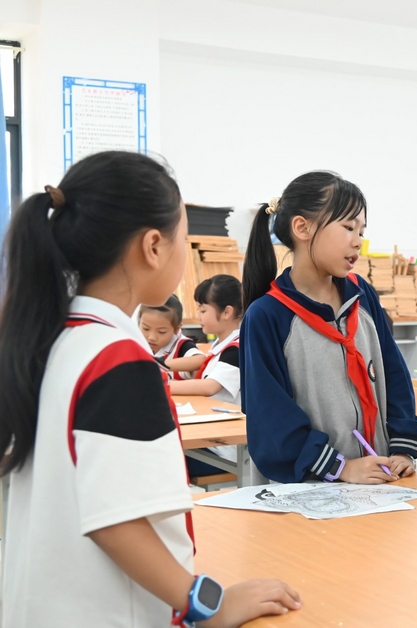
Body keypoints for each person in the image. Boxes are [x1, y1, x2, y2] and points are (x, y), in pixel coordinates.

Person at [0, 151, 301, 627]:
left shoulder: (50, 337)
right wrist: (208, 604)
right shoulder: (117, 358)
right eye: (184, 235)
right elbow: (117, 522)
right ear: (154, 246)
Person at [241, 172, 417, 484]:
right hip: (309, 494)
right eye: (347, 227)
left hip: (379, 483)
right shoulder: (267, 315)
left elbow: (394, 373)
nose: (358, 241)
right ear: (302, 228)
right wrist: (341, 468)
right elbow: (270, 418)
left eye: (361, 230)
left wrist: (401, 448)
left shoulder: (362, 295)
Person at [169, 274, 243, 477]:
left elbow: (210, 386)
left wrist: (163, 384)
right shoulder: (220, 345)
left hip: (224, 449)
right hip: (212, 436)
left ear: (227, 312)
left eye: (203, 310)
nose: (198, 315)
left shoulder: (237, 348)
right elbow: (199, 363)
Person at [139, 294, 205, 379]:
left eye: (161, 332)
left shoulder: (182, 345)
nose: (151, 337)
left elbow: (201, 360)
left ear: (177, 328)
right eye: (146, 328)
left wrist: (160, 365)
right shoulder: (136, 342)